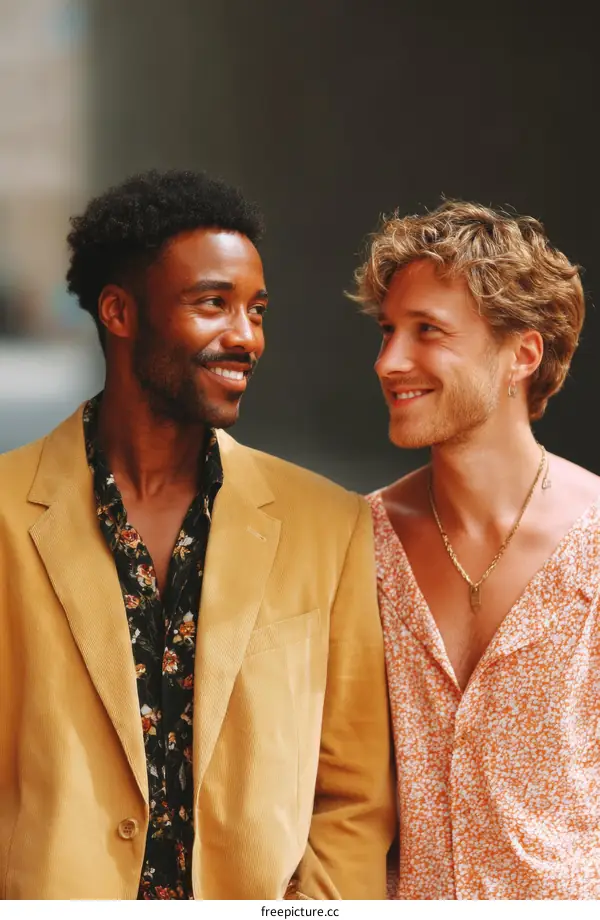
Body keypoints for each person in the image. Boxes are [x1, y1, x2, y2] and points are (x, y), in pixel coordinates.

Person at [0, 169, 394, 900]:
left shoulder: (329, 526)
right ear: (119, 312)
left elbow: (354, 799)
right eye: (213, 304)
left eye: (257, 310)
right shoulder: (4, 516)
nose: (246, 337)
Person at [350, 200, 600, 899]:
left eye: (427, 330)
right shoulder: (357, 542)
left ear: (523, 354)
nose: (389, 362)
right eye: (388, 331)